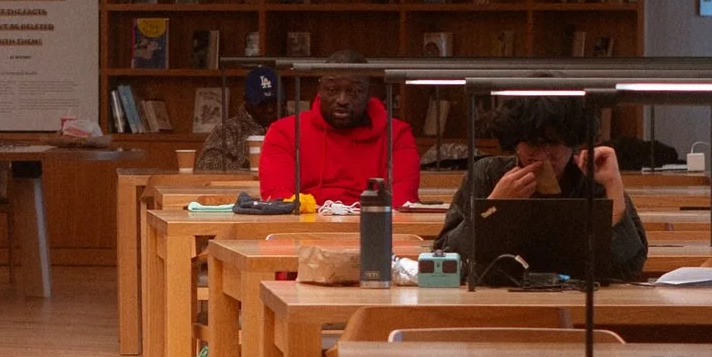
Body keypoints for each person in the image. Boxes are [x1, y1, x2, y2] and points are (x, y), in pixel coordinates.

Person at [434, 99, 648, 280]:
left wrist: (613, 185)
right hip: (498, 305)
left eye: (553, 144)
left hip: (578, 302)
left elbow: (630, 266)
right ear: (515, 142)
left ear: (572, 143)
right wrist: (494, 207)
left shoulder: (591, 179)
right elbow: (444, 257)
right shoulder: (487, 173)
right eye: (531, 144)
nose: (543, 156)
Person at [256, 66, 420, 207]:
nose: (342, 100)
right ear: (319, 91)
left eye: (354, 92)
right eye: (332, 90)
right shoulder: (284, 132)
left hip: (376, 229)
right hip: (304, 233)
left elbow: (403, 200)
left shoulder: (397, 134)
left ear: (369, 94)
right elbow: (278, 199)